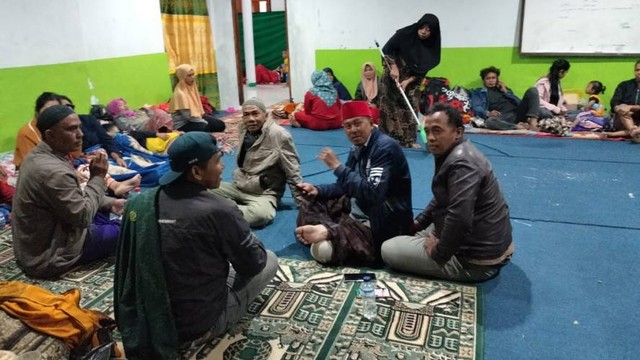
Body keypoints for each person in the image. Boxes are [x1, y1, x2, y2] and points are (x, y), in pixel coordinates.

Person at [115, 132, 278, 358]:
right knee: (269, 259)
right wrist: (247, 238)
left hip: (146, 316)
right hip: (195, 326)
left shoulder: (137, 203)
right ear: (196, 171)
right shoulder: (220, 209)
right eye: (218, 161)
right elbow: (252, 265)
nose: (222, 167)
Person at [381, 103, 514, 282]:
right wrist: (419, 222)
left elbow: (460, 219)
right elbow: (442, 198)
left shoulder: (462, 163)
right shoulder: (457, 152)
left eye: (437, 130)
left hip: (476, 262)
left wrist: (439, 252)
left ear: (458, 132)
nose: (431, 138)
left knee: (388, 249)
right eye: (427, 132)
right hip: (485, 241)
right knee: (405, 231)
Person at [12, 105, 125, 278]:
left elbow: (72, 199)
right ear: (51, 134)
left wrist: (111, 203)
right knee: (127, 228)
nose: (80, 134)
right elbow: (83, 216)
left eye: (79, 127)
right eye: (71, 129)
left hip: (36, 244)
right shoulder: (53, 171)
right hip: (49, 257)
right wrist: (98, 177)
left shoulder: (38, 155)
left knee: (105, 212)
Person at [295, 101, 413, 266]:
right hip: (357, 205)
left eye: (358, 124)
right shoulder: (357, 146)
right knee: (309, 202)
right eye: (347, 126)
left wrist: (338, 167)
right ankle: (332, 231)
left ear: (371, 123)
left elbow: (373, 194)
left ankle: (329, 232)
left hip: (381, 220)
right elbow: (345, 186)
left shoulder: (384, 148)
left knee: (321, 251)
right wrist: (317, 190)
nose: (353, 130)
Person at [212, 98, 303, 228]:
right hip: (240, 185)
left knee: (259, 215)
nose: (251, 119)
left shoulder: (279, 135)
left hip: (264, 193)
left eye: (255, 113)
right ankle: (229, 209)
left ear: (266, 116)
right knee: (200, 189)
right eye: (246, 115)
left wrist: (302, 204)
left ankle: (219, 209)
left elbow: (292, 169)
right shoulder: (243, 128)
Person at [379, 13, 441, 148]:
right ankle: (387, 138)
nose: (424, 32)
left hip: (411, 79)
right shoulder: (403, 34)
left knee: (410, 104)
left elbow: (422, 71)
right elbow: (387, 50)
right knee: (389, 105)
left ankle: (408, 140)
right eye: (422, 27)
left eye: (429, 30)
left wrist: (407, 82)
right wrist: (394, 68)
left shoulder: (431, 49)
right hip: (392, 74)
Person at [470, 66, 540, 131]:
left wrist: (506, 92)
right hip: (503, 116)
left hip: (518, 113)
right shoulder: (478, 92)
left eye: (493, 78)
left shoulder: (504, 89)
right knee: (489, 122)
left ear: (497, 79)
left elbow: (519, 102)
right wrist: (488, 113)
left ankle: (533, 124)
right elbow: (477, 107)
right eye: (488, 78)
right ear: (483, 80)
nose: (491, 80)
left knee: (533, 90)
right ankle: (518, 126)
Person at [169, 64, 225, 133]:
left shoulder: (192, 88)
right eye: (189, 75)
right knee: (204, 127)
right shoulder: (180, 94)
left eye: (193, 74)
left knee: (220, 125)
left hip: (196, 117)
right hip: (183, 124)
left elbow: (197, 111)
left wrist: (203, 119)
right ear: (182, 77)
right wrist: (204, 122)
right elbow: (188, 116)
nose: (193, 77)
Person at [13, 92, 60, 168]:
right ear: (37, 112)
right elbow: (32, 164)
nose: (52, 114)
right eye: (47, 110)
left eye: (56, 110)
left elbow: (74, 155)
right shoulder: (26, 132)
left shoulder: (59, 127)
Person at [609, 60, 640, 140]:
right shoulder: (624, 85)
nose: (639, 72)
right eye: (637, 70)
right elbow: (614, 102)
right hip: (625, 119)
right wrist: (619, 108)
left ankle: (635, 133)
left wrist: (631, 107)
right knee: (622, 107)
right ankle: (634, 131)